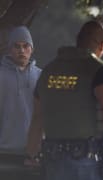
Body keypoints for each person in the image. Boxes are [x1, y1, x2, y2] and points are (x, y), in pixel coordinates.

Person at [26, 20, 103, 180]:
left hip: (52, 159)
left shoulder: (49, 70)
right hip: (87, 160)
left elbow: (38, 115)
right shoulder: (100, 70)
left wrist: (31, 153)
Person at [0, 26, 41, 179]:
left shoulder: (41, 77)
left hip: (33, 154)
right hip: (3, 151)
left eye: (25, 46)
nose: (21, 50)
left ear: (32, 49)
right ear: (9, 49)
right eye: (16, 46)